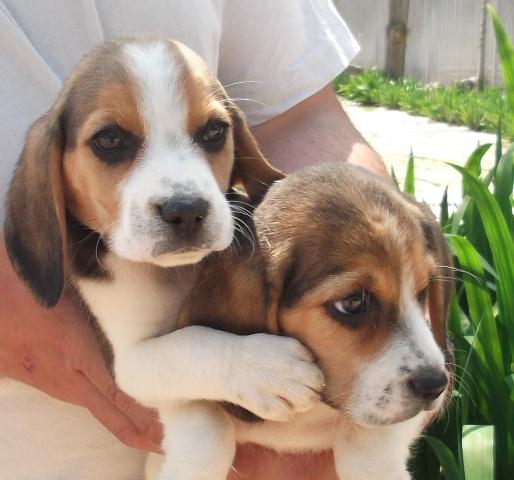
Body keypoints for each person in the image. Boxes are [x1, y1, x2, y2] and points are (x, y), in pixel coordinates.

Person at [0, 1, 386, 478]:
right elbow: (139, 366)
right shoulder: (103, 269)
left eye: (210, 133)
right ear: (54, 168)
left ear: (241, 148)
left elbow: (299, 115)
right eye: (112, 143)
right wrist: (238, 365)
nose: (184, 197)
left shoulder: (248, 236)